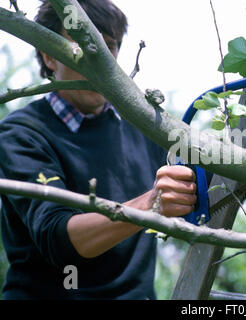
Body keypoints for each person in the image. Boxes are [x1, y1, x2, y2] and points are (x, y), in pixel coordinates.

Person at [0, 0, 197, 300]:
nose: (98, 59)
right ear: (49, 57)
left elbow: (207, 186)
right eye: (82, 45)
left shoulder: (145, 126)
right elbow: (59, 239)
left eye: (108, 46)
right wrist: (151, 204)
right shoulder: (21, 134)